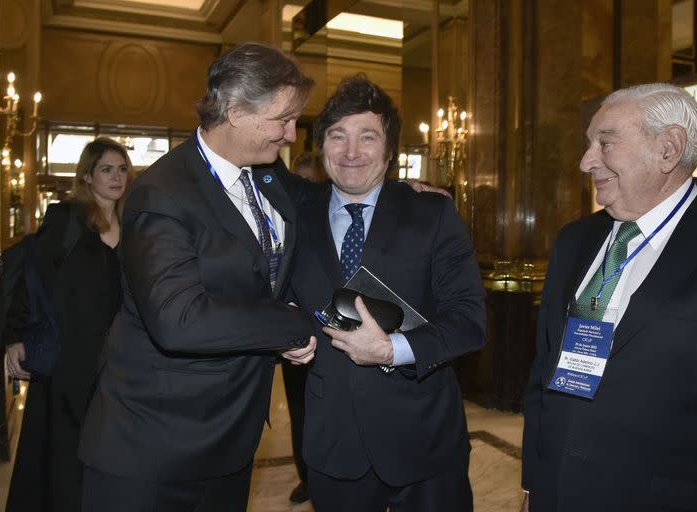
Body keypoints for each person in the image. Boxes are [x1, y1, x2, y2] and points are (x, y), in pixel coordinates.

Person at [78, 42, 318, 512]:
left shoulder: (266, 176)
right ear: (235, 112)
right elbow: (178, 319)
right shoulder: (163, 192)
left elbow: (324, 201)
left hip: (229, 438)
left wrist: (400, 193)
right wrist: (290, 325)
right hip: (152, 448)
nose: (291, 134)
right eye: (282, 118)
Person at [521, 83, 697, 512]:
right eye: (588, 144)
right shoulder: (573, 240)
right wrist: (533, 482)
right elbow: (544, 371)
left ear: (669, 149)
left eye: (605, 142)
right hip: (560, 491)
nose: (586, 161)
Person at [288, 75, 486, 512]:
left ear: (390, 150)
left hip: (424, 439)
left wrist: (391, 349)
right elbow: (276, 298)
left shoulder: (432, 213)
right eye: (338, 136)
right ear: (322, 147)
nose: (351, 152)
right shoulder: (295, 220)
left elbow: (469, 321)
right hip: (332, 443)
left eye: (367, 137)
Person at [3, 137, 133, 511]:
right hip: (69, 359)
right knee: (62, 452)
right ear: (87, 176)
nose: (116, 177)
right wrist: (15, 337)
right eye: (106, 169)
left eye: (122, 169)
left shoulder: (133, 223)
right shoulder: (68, 218)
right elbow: (31, 279)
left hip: (117, 360)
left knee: (107, 451)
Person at [283, 150, 327, 505]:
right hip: (294, 333)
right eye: (298, 181)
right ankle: (306, 477)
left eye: (310, 182)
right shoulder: (282, 219)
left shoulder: (331, 218)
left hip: (329, 335)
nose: (304, 189)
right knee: (299, 411)